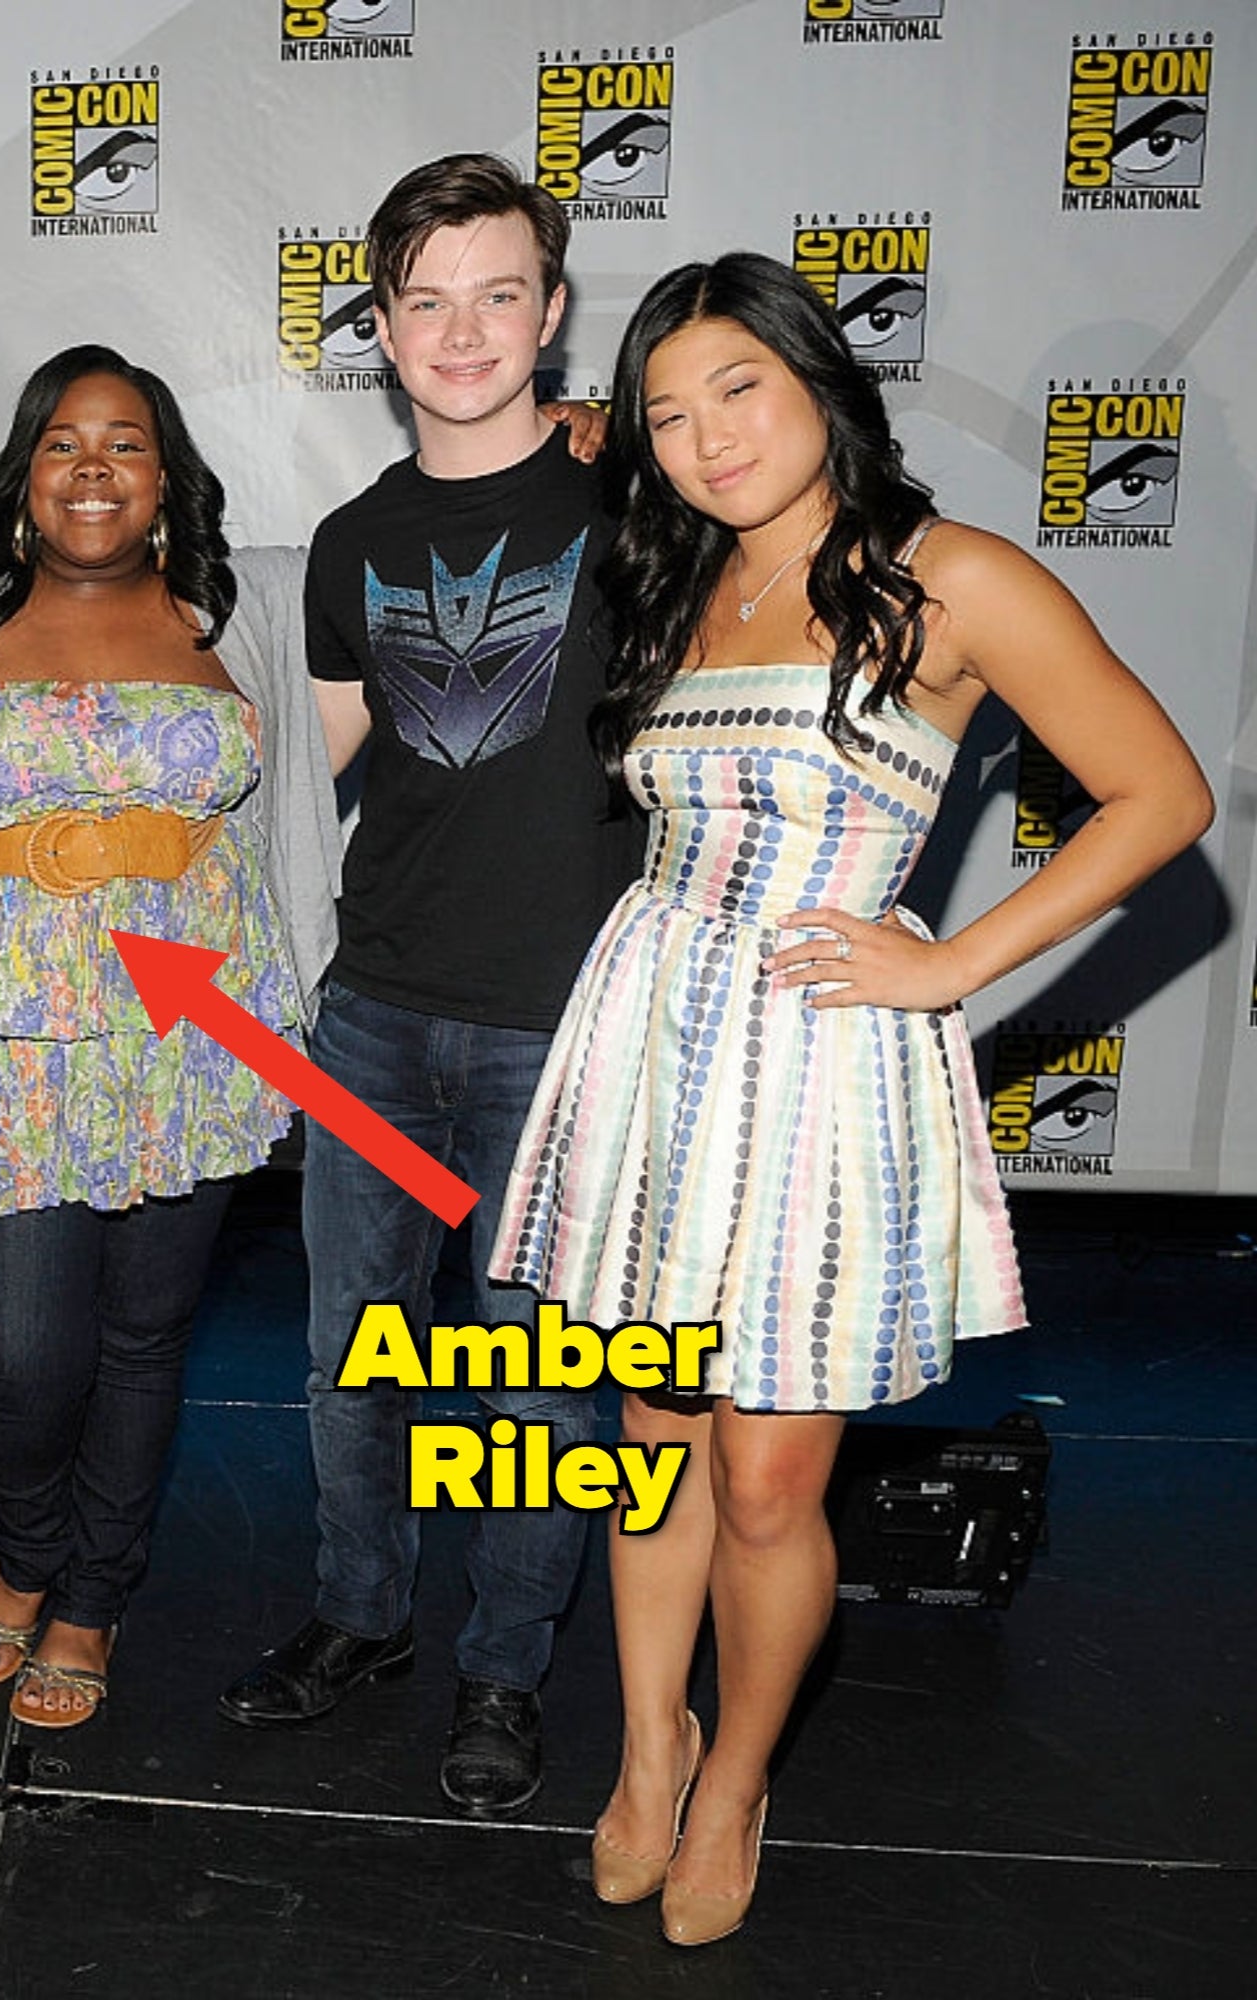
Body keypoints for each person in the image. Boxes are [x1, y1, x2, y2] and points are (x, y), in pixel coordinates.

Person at [494, 251, 1212, 1944]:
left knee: (765, 1484)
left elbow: (1160, 794)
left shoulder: (945, 576)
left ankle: (737, 1779)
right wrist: (585, 418)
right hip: (653, 1040)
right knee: (650, 1449)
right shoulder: (676, 572)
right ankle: (649, 1748)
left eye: (738, 388)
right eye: (668, 413)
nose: (706, 437)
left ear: (820, 381)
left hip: (819, 1066)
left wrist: (949, 964)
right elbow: (572, 436)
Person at [219, 153, 637, 1822]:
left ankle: (503, 1670)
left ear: (550, 311)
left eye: (497, 295)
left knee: (541, 1379)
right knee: (354, 1354)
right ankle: (361, 1613)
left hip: (563, 1026)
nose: (462, 332)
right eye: (426, 301)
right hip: (373, 1018)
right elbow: (315, 774)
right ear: (382, 331)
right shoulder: (351, 542)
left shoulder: (639, 509)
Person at [0, 345, 344, 1730]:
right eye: (63, 442)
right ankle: (27, 1549)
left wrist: (573, 446)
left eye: (125, 442)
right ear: (23, 473)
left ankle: (90, 1595)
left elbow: (426, 547)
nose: (94, 469)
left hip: (190, 1024)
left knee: (144, 1338)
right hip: (0, 1035)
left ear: (167, 475)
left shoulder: (246, 602)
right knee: (19, 1349)